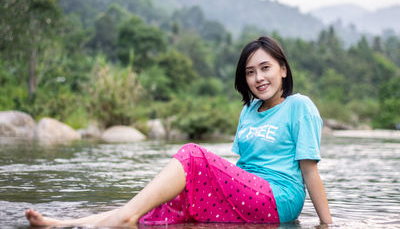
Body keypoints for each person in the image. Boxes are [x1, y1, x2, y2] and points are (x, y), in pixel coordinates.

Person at [25, 36, 332, 227]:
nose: (258, 77)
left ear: (283, 69)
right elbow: (242, 168)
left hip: (279, 199)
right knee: (160, 206)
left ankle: (122, 217)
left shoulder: (299, 106)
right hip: (248, 191)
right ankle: (67, 223)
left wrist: (326, 224)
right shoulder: (249, 111)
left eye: (265, 68)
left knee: (192, 154)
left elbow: (309, 172)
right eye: (250, 72)